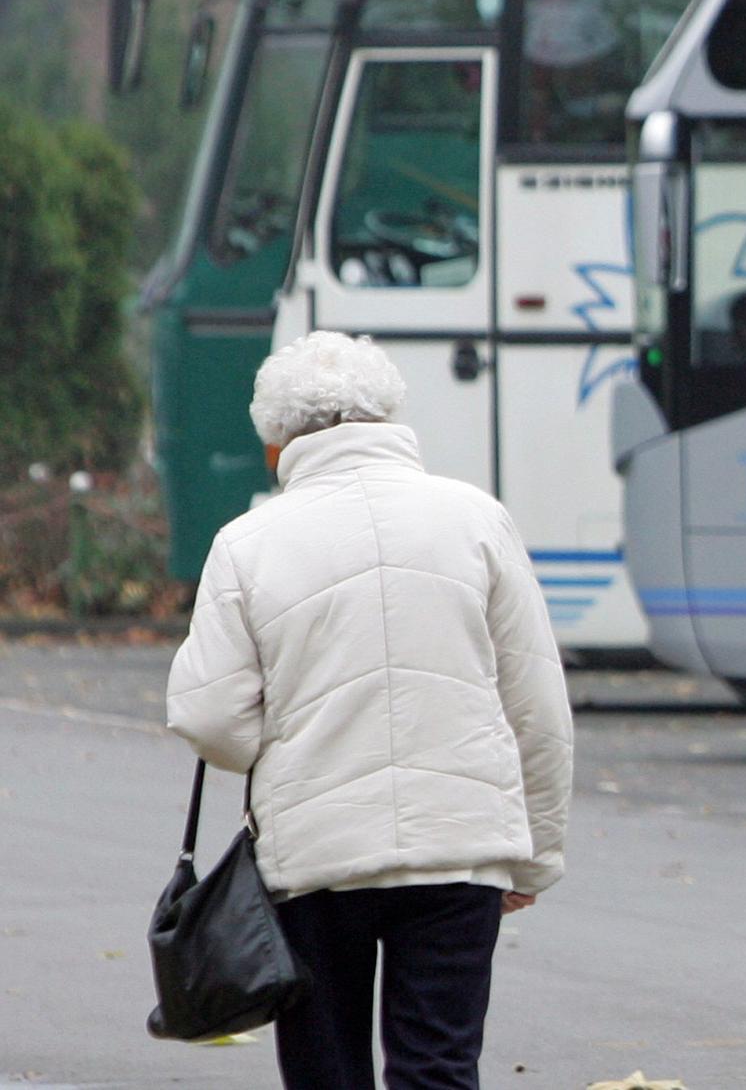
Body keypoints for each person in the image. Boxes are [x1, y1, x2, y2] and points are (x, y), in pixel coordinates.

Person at [166, 330, 573, 1089]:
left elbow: (212, 720)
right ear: (388, 416)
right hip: (460, 847)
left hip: (316, 856)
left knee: (327, 1072)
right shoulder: (477, 519)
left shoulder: (246, 544)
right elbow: (537, 705)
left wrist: (284, 742)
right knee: (439, 1067)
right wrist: (534, 855)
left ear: (276, 444)